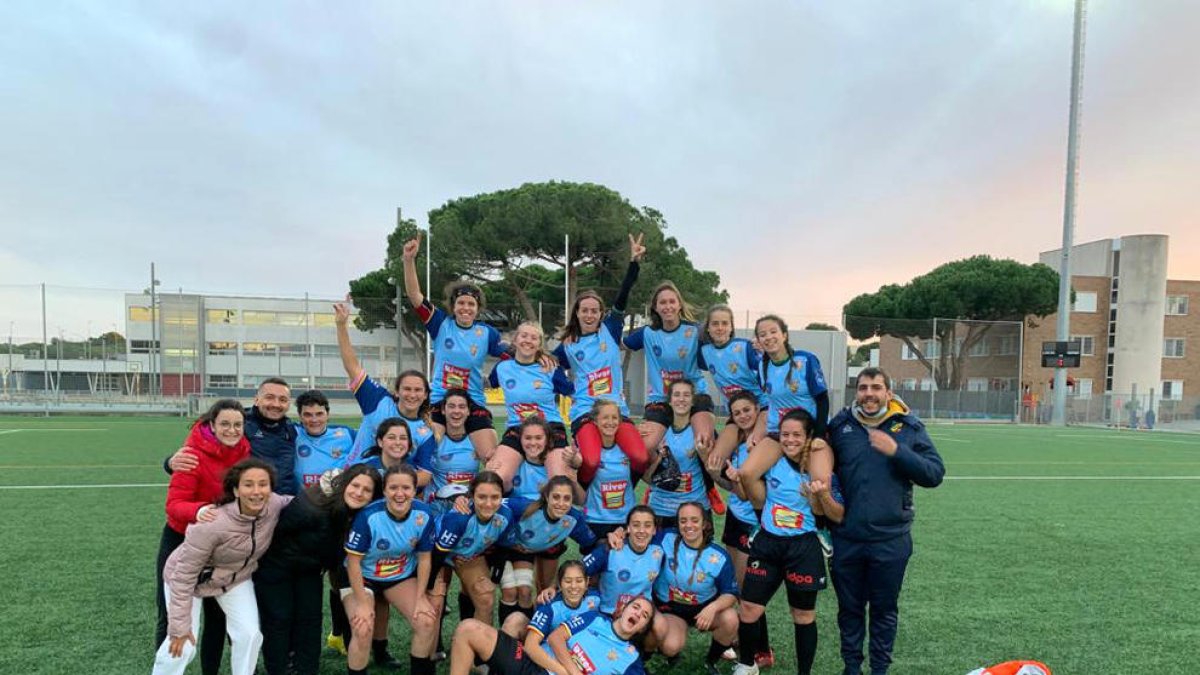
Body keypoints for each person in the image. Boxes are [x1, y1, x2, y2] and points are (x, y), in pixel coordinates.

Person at [825, 368, 944, 675]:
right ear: (857, 392)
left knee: (884, 610)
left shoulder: (908, 427)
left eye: (876, 387)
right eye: (863, 387)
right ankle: (852, 668)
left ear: (888, 393)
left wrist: (897, 451)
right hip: (847, 537)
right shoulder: (840, 426)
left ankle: (880, 670)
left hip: (891, 540)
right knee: (849, 610)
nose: (869, 393)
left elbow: (934, 474)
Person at [400, 234, 522, 484]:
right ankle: (421, 497)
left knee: (492, 459)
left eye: (471, 304)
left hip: (474, 402)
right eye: (461, 303)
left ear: (478, 309)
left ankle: (486, 505)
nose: (466, 308)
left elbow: (514, 355)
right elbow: (415, 297)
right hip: (440, 402)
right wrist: (408, 260)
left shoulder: (486, 333)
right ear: (453, 306)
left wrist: (542, 358)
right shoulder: (441, 324)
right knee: (426, 448)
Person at [152, 459, 293, 675]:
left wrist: (327, 490)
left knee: (250, 634)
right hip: (186, 579)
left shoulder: (274, 504)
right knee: (183, 643)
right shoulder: (212, 524)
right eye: (248, 485)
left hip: (234, 578)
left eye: (263, 484)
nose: (257, 491)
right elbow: (183, 576)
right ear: (236, 490)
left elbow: (296, 503)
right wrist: (179, 626)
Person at [727, 409, 839, 675]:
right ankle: (747, 664)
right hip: (768, 543)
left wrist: (815, 496)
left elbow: (822, 512)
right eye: (785, 434)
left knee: (802, 615)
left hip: (802, 547)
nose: (790, 440)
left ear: (809, 437)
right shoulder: (771, 460)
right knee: (749, 608)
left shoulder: (816, 462)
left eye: (796, 435)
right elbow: (751, 488)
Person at [254, 464, 382, 675]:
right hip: (277, 566)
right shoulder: (313, 508)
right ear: (344, 485)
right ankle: (279, 668)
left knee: (310, 620)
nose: (359, 493)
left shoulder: (357, 515)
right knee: (279, 620)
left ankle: (306, 669)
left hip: (310, 567)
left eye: (367, 490)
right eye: (355, 485)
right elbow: (279, 534)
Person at [153, 400, 251, 657]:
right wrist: (199, 512)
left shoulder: (245, 451)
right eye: (225, 424)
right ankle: (165, 667)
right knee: (172, 614)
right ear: (212, 425)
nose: (232, 430)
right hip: (180, 540)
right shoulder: (190, 455)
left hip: (218, 544)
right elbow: (174, 505)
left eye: (237, 425)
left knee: (217, 618)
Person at [553, 233, 648, 486]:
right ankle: (583, 495)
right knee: (591, 462)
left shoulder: (611, 329)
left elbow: (623, 294)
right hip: (584, 410)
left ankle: (623, 488)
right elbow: (549, 368)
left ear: (601, 313)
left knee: (640, 457)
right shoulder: (568, 344)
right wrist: (570, 389)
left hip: (616, 409)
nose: (589, 314)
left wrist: (634, 263)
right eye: (584, 310)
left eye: (594, 310)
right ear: (577, 312)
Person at [341, 464, 441, 675]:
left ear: (415, 491)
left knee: (426, 621)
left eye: (406, 488)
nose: (399, 494)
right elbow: (353, 563)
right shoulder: (369, 516)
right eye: (393, 488)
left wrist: (421, 596)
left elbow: (424, 559)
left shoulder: (423, 515)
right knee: (363, 627)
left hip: (398, 576)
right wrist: (361, 602)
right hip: (362, 577)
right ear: (384, 490)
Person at [707, 389, 775, 668]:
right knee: (736, 584)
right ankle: (741, 641)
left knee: (750, 589)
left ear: (757, 410)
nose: (743, 416)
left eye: (747, 410)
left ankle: (761, 650)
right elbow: (734, 490)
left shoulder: (766, 443)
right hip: (736, 517)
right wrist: (716, 477)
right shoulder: (736, 441)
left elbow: (749, 492)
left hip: (754, 521)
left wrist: (734, 481)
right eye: (737, 413)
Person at [333, 300, 437, 464]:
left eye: (418, 390)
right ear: (397, 391)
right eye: (407, 389)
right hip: (356, 481)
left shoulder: (425, 433)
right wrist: (341, 325)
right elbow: (352, 366)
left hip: (392, 487)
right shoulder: (378, 401)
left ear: (425, 395)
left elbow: (423, 473)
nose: (412, 394)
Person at [491, 476, 598, 634]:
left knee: (526, 593)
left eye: (566, 498)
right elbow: (493, 504)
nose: (561, 503)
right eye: (556, 497)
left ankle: (524, 636)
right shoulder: (525, 507)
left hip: (524, 553)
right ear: (547, 496)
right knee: (509, 592)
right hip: (501, 549)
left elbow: (591, 544)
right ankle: (504, 640)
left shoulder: (573, 519)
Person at [623, 282, 717, 455]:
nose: (668, 306)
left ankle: (707, 481)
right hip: (660, 399)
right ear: (655, 308)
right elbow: (618, 345)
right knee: (644, 449)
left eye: (672, 302)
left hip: (695, 396)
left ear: (679, 304)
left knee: (704, 443)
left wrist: (754, 346)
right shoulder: (648, 333)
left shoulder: (696, 331)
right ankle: (660, 480)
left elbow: (722, 345)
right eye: (663, 303)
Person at [448, 596, 655, 675]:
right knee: (467, 628)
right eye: (635, 607)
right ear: (622, 610)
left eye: (644, 615)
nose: (637, 613)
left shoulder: (632, 659)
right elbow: (556, 638)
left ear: (642, 628)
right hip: (533, 662)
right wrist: (571, 672)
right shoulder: (595, 618)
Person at [646, 502, 738, 671]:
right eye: (683, 521)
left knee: (730, 619)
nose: (688, 525)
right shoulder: (665, 538)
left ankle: (711, 660)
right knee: (671, 646)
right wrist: (619, 532)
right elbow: (642, 533)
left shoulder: (719, 556)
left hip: (703, 610)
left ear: (704, 524)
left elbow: (730, 593)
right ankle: (670, 653)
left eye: (694, 520)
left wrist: (713, 608)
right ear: (677, 523)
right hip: (672, 610)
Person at [487, 320, 573, 491]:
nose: (528, 340)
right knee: (497, 479)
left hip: (551, 428)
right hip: (517, 428)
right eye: (524, 335)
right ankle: (507, 514)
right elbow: (488, 383)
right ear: (515, 340)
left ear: (539, 344)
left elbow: (573, 392)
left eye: (534, 337)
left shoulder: (550, 368)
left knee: (559, 482)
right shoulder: (502, 368)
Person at [429, 471, 515, 636]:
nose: (489, 504)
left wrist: (494, 580)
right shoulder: (459, 519)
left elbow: (503, 550)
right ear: (471, 497)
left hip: (466, 555)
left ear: (502, 497)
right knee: (436, 600)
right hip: (436, 555)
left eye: (495, 497)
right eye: (482, 497)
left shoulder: (505, 515)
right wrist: (429, 586)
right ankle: (434, 651)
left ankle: (478, 652)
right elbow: (436, 556)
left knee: (486, 597)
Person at [643, 380, 711, 531]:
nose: (681, 399)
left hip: (694, 509)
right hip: (661, 510)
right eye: (677, 395)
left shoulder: (701, 430)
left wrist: (704, 454)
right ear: (670, 400)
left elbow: (714, 472)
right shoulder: (657, 431)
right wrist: (660, 457)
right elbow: (647, 478)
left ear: (693, 401)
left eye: (686, 395)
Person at [579, 505, 663, 619]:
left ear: (654, 530)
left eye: (647, 526)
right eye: (636, 525)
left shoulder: (659, 548)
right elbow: (578, 569)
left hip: (640, 617)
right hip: (608, 613)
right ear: (628, 528)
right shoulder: (612, 549)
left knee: (661, 627)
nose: (642, 530)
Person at [572, 399, 637, 540]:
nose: (610, 422)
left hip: (625, 519)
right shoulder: (587, 451)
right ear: (594, 421)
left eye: (614, 418)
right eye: (605, 418)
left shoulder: (628, 450)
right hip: (595, 520)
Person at [411, 388, 482, 509]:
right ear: (443, 410)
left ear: (468, 411)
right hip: (437, 507)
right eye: (451, 406)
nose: (456, 411)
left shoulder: (478, 441)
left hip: (468, 506)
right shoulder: (432, 439)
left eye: (462, 407)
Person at [292, 389, 357, 489]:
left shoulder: (347, 434)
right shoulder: (293, 433)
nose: (314, 420)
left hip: (337, 501)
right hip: (304, 501)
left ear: (327, 414)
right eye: (308, 415)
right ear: (300, 417)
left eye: (319, 414)